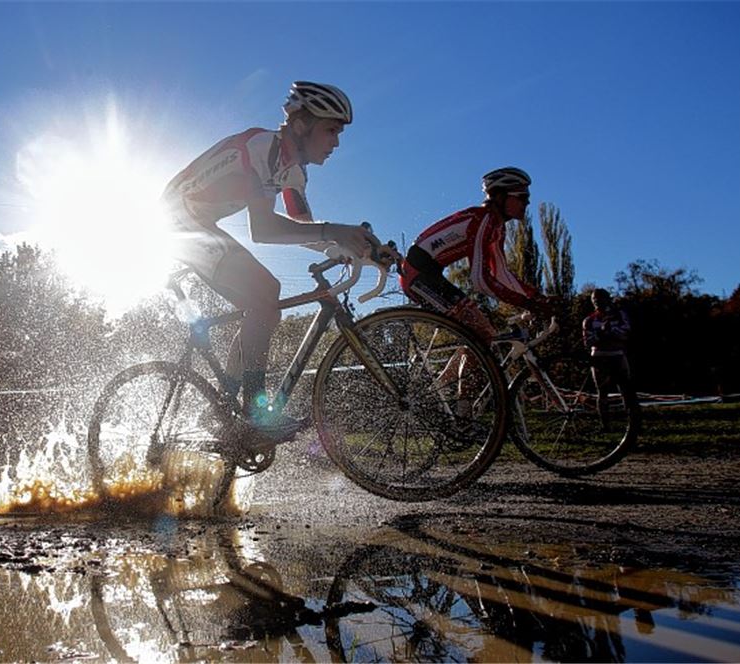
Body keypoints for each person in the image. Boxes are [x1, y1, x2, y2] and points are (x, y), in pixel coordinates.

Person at [161, 81, 380, 440]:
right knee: (266, 290)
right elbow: (263, 228)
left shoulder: (293, 170)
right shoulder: (260, 149)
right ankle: (253, 413)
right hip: (177, 220)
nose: (336, 142)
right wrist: (335, 233)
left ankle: (222, 409)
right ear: (300, 125)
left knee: (265, 306)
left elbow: (305, 227)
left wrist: (354, 249)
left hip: (201, 221)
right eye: (331, 130)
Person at [399, 166, 555, 338]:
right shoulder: (482, 219)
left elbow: (500, 273)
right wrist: (527, 303)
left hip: (429, 274)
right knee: (482, 332)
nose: (527, 203)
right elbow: (479, 280)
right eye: (522, 197)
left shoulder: (495, 226)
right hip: (417, 275)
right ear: (500, 196)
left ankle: (471, 364)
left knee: (482, 338)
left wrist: (536, 297)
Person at [582, 288, 640, 430]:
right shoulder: (589, 320)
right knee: (602, 392)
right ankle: (605, 425)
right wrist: (603, 334)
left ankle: (632, 423)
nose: (597, 302)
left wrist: (606, 334)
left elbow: (625, 332)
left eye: (600, 299)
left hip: (617, 356)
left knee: (626, 390)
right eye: (594, 300)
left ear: (608, 299)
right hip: (598, 358)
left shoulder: (620, 315)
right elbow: (588, 341)